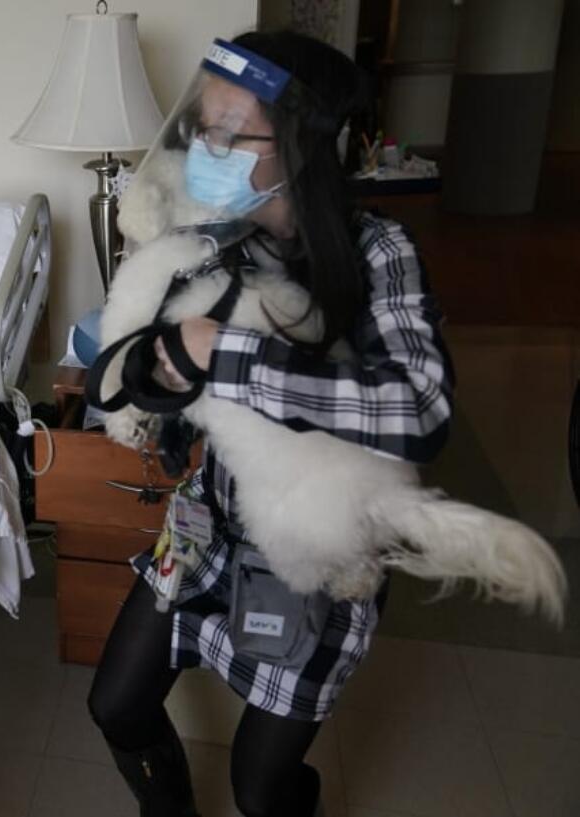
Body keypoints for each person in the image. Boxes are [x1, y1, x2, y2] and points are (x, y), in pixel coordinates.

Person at [87, 31, 454, 817]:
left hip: (320, 550)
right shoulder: (214, 232)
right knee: (115, 702)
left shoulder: (380, 251)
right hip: (205, 524)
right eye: (201, 128)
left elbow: (417, 405)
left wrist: (233, 356)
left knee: (262, 789)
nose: (203, 151)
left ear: (299, 149)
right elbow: (145, 369)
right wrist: (156, 367)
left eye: (229, 134)